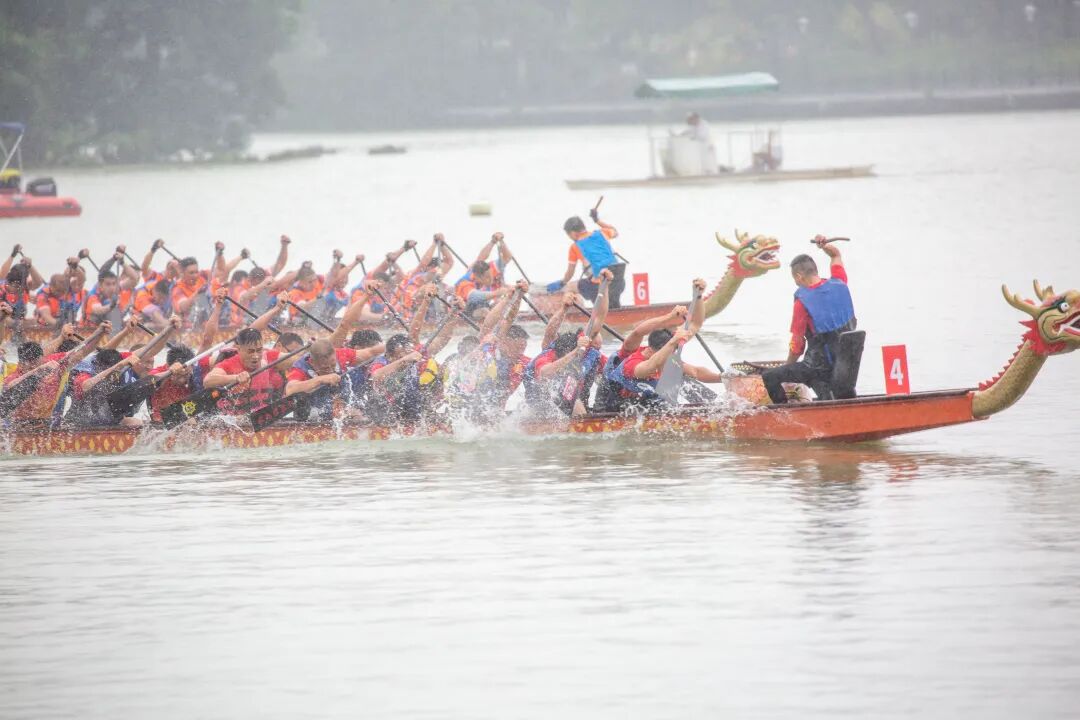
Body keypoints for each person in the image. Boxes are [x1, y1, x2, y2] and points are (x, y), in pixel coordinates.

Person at [761, 236, 857, 404]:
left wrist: (786, 367)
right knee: (821, 385)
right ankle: (831, 404)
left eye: (794, 279)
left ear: (799, 276)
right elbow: (835, 255)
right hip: (846, 365)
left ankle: (785, 415)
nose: (796, 283)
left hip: (818, 368)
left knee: (770, 376)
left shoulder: (802, 302)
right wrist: (825, 246)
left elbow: (797, 348)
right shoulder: (840, 282)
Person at [283, 338, 384, 421]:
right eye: (325, 368)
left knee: (358, 413)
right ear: (312, 362)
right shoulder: (300, 368)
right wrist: (321, 379)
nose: (331, 370)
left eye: (333, 365)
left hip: (339, 406)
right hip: (312, 412)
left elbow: (371, 352)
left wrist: (389, 346)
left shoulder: (341, 354)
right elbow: (290, 389)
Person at [547, 210, 626, 308]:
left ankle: (570, 313)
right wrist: (597, 220)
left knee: (569, 287)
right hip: (618, 281)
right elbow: (615, 231)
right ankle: (614, 312)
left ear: (573, 233)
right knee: (610, 304)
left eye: (569, 235)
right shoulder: (602, 233)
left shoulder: (575, 247)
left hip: (598, 288)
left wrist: (562, 283)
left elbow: (570, 272)